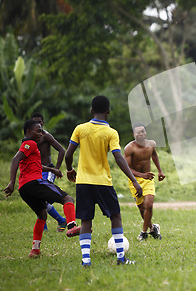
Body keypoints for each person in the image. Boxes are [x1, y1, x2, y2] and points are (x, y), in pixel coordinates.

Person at [65, 95, 143, 266]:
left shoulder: (80, 129)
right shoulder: (111, 133)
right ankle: (121, 258)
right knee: (115, 216)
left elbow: (68, 154)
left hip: (83, 182)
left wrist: (70, 169)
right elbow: (119, 158)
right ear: (108, 111)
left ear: (92, 110)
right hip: (103, 182)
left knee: (86, 220)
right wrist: (134, 180)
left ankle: (86, 261)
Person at [4, 120, 80, 258]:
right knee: (67, 198)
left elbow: (36, 166)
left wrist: (53, 170)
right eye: (38, 131)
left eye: (42, 130)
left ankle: (35, 250)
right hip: (35, 183)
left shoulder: (29, 147)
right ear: (28, 132)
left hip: (24, 189)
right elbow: (15, 160)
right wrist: (11, 182)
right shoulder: (30, 144)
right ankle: (72, 227)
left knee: (42, 215)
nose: (41, 133)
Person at [123, 124, 165, 241]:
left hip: (148, 179)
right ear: (133, 135)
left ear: (145, 133)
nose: (140, 134)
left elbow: (154, 155)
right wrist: (141, 175)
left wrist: (160, 171)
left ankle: (143, 232)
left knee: (149, 205)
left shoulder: (151, 144)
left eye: (142, 132)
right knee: (142, 210)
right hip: (134, 181)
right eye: (138, 132)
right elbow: (127, 169)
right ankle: (153, 228)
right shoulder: (129, 148)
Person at [32, 112, 68, 232]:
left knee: (43, 198)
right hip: (36, 171)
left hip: (48, 170)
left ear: (43, 123)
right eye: (35, 122)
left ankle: (56, 222)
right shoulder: (30, 137)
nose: (38, 124)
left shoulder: (46, 136)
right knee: (37, 198)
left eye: (40, 122)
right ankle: (55, 222)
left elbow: (61, 150)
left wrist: (56, 169)